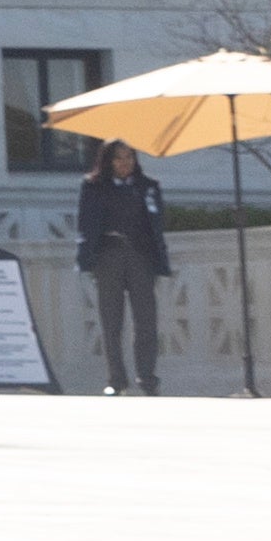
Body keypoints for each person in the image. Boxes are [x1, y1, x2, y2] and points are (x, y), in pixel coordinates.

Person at [77, 139, 173, 392]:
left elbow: (157, 225)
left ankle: (147, 378)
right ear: (108, 161)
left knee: (146, 321)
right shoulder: (94, 187)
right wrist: (86, 258)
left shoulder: (147, 187)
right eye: (119, 158)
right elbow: (85, 224)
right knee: (111, 321)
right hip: (108, 256)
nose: (124, 163)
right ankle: (116, 380)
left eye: (129, 156)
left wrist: (158, 259)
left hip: (140, 257)